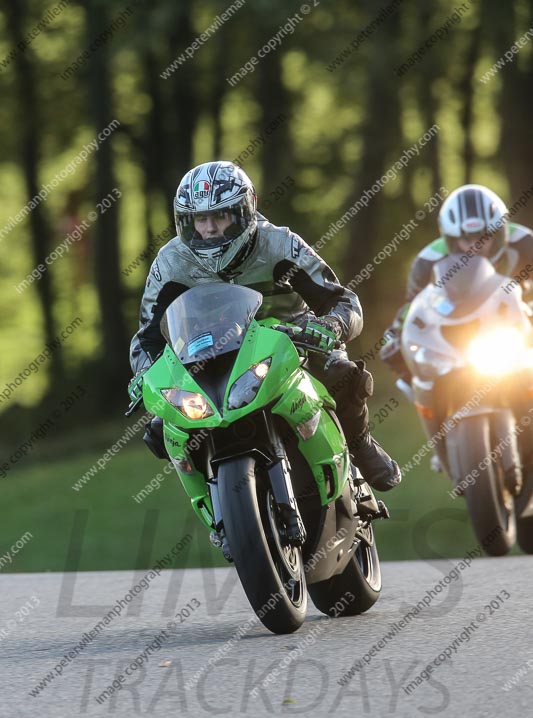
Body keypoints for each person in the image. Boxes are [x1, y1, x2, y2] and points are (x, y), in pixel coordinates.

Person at [129, 160, 401, 493]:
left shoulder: (280, 244)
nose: (210, 228)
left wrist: (330, 325)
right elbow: (147, 339)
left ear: (245, 211)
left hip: (293, 340)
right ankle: (217, 507)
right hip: (211, 355)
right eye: (200, 219)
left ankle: (360, 446)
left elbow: (343, 301)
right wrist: (145, 373)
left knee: (343, 374)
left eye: (220, 216)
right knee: (161, 427)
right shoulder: (170, 264)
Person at [381, 183, 533, 383]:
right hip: (460, 343)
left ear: (500, 232)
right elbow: (414, 307)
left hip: (519, 332)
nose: (475, 246)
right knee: (420, 383)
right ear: (451, 239)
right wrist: (397, 334)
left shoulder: (525, 243)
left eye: (484, 236)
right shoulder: (428, 261)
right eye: (466, 239)